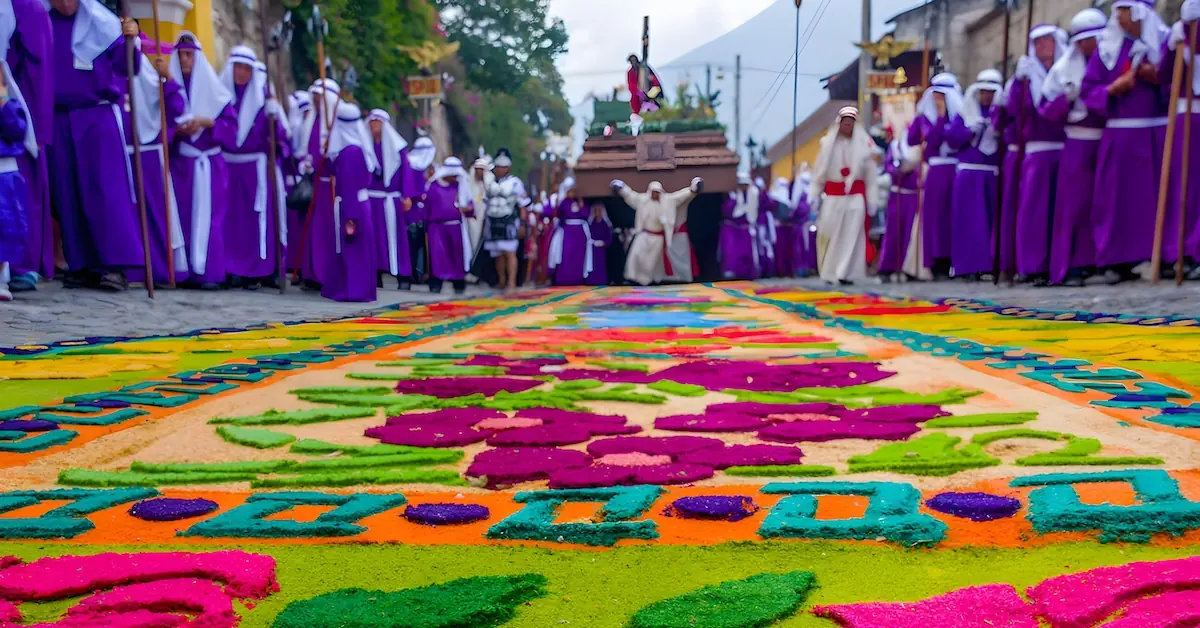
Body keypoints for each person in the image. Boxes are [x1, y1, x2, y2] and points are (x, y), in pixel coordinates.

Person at [47, 0, 143, 291]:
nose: (64, 2)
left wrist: (130, 38)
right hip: (59, 118)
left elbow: (130, 68)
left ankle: (114, 266)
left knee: (105, 191)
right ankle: (82, 264)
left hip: (97, 117)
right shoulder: (43, 21)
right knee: (68, 192)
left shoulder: (104, 24)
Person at [1083, 0, 1169, 284]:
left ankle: (1165, 256)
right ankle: (1115, 259)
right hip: (1120, 135)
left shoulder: (1165, 42)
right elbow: (1088, 90)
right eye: (1117, 12)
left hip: (1156, 133)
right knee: (1116, 198)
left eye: (1125, 11)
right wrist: (1111, 89)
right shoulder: (1106, 50)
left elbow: (1180, 84)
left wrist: (1156, 78)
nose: (1119, 17)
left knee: (1158, 197)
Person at [1042, 8, 1108, 286]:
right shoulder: (1062, 70)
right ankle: (1072, 265)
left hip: (1106, 140)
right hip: (1078, 144)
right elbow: (1046, 111)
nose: (1088, 45)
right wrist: (1066, 99)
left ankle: (1102, 261)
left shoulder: (1109, 61)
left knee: (1103, 204)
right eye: (1083, 40)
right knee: (1074, 206)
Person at [219, 46, 290, 290]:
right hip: (227, 167)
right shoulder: (220, 94)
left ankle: (256, 268)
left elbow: (280, 138)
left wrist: (274, 119)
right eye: (238, 67)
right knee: (229, 219)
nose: (241, 72)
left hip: (254, 171)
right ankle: (229, 268)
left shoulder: (263, 98)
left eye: (246, 68)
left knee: (255, 219)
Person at [170, 32, 235, 290]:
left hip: (209, 166)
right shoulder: (169, 88)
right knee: (183, 216)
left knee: (212, 218)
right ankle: (184, 271)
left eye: (189, 54)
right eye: (181, 55)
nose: (185, 60)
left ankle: (210, 273)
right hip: (182, 165)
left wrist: (209, 122)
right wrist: (177, 132)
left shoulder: (215, 92)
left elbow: (231, 129)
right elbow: (158, 124)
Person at [1006, 24, 1069, 286]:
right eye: (1038, 42)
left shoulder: (1067, 68)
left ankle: (1060, 265)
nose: (1043, 46)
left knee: (1061, 212)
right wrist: (1019, 83)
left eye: (1048, 41)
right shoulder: (1027, 75)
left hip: (1064, 148)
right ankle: (1033, 265)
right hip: (1037, 151)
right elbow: (1013, 110)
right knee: (1034, 211)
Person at [124, 45, 187, 287]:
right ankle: (132, 268)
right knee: (126, 213)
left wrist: (167, 79)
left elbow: (176, 109)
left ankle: (161, 268)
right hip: (122, 150)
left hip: (150, 154)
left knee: (157, 214)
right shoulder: (113, 72)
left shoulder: (151, 76)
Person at [4, 0, 52, 292]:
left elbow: (33, 68)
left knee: (14, 199)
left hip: (15, 107)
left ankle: (18, 264)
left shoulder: (26, 8)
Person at [809, 106, 878, 285]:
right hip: (833, 197)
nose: (847, 126)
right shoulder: (827, 145)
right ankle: (830, 272)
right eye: (845, 122)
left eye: (851, 122)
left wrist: (872, 200)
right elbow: (819, 172)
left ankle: (846, 272)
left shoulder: (865, 146)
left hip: (855, 198)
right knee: (831, 235)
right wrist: (814, 195)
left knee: (852, 237)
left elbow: (871, 176)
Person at [947, 69, 1004, 280]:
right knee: (969, 222)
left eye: (991, 92)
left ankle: (989, 263)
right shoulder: (966, 112)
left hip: (992, 174)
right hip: (970, 175)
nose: (986, 96)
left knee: (990, 222)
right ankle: (967, 266)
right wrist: (970, 131)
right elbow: (951, 139)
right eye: (983, 92)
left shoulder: (1001, 113)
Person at [320, 102, 376, 302]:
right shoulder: (355, 150)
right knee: (355, 250)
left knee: (353, 250)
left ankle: (354, 290)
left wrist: (350, 217)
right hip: (357, 205)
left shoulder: (350, 153)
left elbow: (350, 186)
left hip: (353, 207)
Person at [908, 73, 962, 279]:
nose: (939, 100)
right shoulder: (925, 117)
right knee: (936, 219)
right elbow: (921, 139)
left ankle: (954, 261)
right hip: (936, 171)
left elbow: (957, 139)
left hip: (955, 169)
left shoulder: (959, 116)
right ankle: (937, 262)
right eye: (936, 95)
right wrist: (936, 117)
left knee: (953, 217)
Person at [1161, 0, 1200, 279]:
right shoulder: (1178, 39)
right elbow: (1164, 78)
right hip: (1186, 117)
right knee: (1182, 187)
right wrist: (1171, 51)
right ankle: (1181, 251)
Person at [294, 77, 341, 289]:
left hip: (329, 187)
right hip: (313, 184)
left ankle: (325, 274)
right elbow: (304, 148)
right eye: (314, 97)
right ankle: (310, 273)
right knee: (311, 230)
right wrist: (306, 163)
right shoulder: (312, 120)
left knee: (327, 231)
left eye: (319, 97)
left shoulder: (336, 124)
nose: (315, 101)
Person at [611, 177, 703, 285]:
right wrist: (621, 188)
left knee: (651, 263)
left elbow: (682, 196)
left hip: (658, 238)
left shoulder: (668, 201)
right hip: (644, 236)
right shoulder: (642, 201)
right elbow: (630, 195)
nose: (655, 194)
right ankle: (632, 278)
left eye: (657, 192)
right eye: (653, 192)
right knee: (635, 256)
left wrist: (693, 189)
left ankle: (648, 281)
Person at [366, 109, 413, 290]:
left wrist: (406, 195)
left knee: (396, 237)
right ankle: (375, 273)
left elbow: (405, 173)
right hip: (371, 199)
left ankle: (404, 275)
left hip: (390, 200)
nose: (373, 125)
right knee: (373, 238)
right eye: (371, 122)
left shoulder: (397, 148)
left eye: (377, 122)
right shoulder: (366, 146)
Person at [0, 51, 31, 301]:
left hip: (4, 172)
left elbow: (17, 131)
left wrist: (2, 101)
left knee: (6, 228)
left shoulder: (11, 107)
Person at [481, 147, 529, 293]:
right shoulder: (490, 184)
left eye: (502, 167)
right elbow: (486, 204)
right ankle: (501, 280)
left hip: (509, 222)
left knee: (510, 253)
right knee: (497, 254)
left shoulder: (515, 183)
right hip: (493, 221)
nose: (499, 170)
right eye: (498, 167)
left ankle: (511, 282)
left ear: (507, 168)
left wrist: (522, 224)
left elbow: (522, 206)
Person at [424, 157, 473, 294]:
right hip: (437, 228)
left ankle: (458, 283)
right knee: (437, 256)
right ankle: (436, 283)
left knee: (456, 256)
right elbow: (427, 208)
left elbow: (469, 203)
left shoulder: (460, 186)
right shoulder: (433, 187)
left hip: (455, 227)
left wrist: (468, 208)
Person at [878, 127, 920, 280]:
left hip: (913, 195)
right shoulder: (895, 147)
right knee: (893, 233)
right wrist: (900, 169)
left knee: (911, 233)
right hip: (897, 195)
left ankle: (908, 268)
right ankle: (888, 267)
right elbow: (888, 167)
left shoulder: (919, 148)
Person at [547, 177, 594, 285]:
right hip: (568, 232)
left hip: (579, 232)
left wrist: (581, 203)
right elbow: (559, 213)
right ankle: (564, 278)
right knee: (567, 254)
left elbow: (585, 214)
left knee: (578, 256)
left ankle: (578, 278)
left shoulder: (581, 202)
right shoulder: (564, 202)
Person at [404, 136, 435, 285]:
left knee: (424, 244)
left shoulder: (430, 168)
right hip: (413, 211)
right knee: (413, 244)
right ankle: (413, 273)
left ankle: (423, 273)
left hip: (426, 212)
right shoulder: (411, 167)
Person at [719, 173, 763, 279]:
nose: (744, 187)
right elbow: (726, 211)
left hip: (746, 228)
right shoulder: (732, 195)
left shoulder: (753, 194)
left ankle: (747, 273)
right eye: (742, 184)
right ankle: (731, 272)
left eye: (746, 184)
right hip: (732, 229)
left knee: (747, 252)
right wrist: (734, 200)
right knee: (731, 252)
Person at [769, 177, 798, 277]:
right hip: (778, 228)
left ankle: (789, 270)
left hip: (788, 228)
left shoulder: (788, 198)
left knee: (789, 250)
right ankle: (780, 270)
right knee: (780, 250)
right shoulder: (774, 198)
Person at [587, 201, 612, 286]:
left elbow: (609, 237)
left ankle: (601, 281)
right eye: (596, 210)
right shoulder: (590, 223)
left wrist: (603, 243)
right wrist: (591, 242)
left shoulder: (605, 224)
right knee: (592, 265)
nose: (598, 212)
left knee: (601, 265)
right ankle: (591, 281)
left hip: (601, 249)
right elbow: (587, 235)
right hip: (592, 249)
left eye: (599, 210)